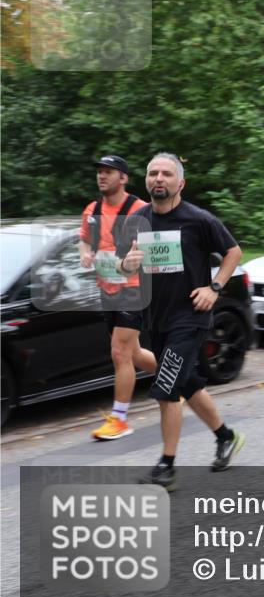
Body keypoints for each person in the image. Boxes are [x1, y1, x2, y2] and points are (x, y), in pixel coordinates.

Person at [117, 153, 245, 491]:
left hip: (190, 318)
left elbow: (233, 252)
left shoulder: (198, 219)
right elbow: (123, 266)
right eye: (153, 173)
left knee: (166, 389)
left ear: (181, 183)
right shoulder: (138, 219)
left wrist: (214, 288)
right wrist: (127, 265)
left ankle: (167, 466)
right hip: (155, 318)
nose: (159, 178)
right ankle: (226, 436)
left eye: (167, 174)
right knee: (186, 381)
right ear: (146, 180)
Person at [78, 155, 157, 440]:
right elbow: (85, 238)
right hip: (107, 288)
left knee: (120, 353)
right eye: (99, 172)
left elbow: (159, 244)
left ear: (123, 178)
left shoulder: (140, 209)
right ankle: (180, 381)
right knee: (133, 353)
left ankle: (120, 419)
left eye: (109, 172)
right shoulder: (92, 209)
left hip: (135, 288)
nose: (102, 176)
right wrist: (85, 252)